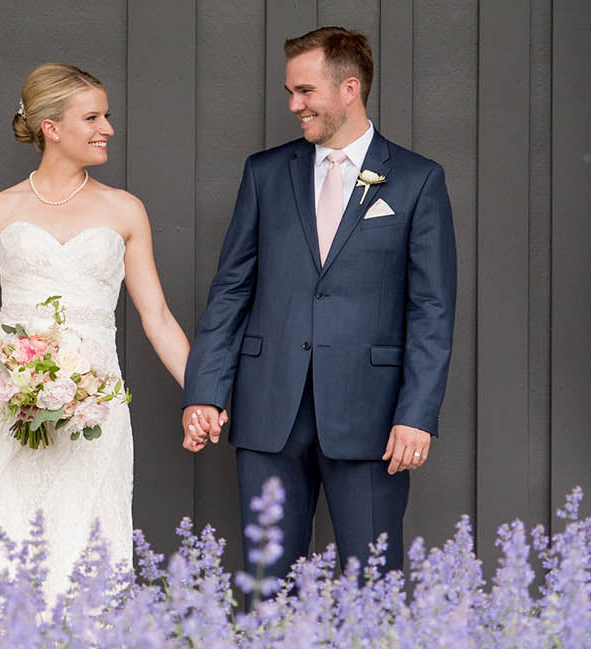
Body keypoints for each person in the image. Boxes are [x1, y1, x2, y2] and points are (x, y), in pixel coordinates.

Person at [181, 27, 457, 580]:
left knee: (371, 585)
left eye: (305, 92)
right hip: (268, 410)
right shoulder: (264, 173)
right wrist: (205, 391)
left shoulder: (418, 180)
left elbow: (432, 308)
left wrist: (416, 414)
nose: (293, 105)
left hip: (373, 416)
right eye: (290, 92)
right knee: (265, 583)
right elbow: (231, 288)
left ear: (349, 88)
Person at [0, 62, 203, 604]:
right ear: (51, 127)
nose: (107, 127)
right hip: (7, 409)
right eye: (92, 117)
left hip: (96, 409)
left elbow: (156, 318)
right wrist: (12, 380)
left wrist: (203, 393)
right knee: (2, 547)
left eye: (106, 116)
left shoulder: (125, 210)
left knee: (85, 548)